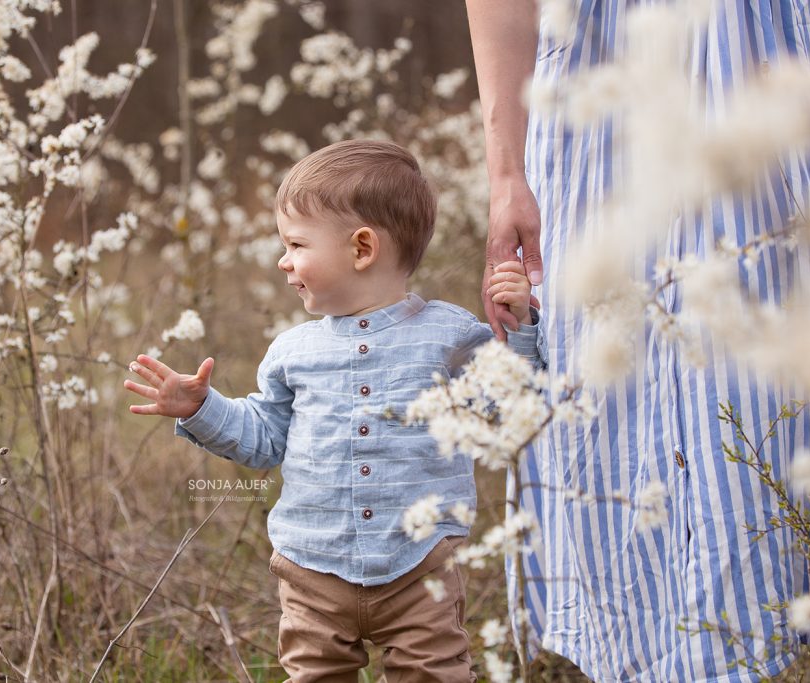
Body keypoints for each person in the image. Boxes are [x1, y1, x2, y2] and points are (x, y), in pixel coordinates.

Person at [466, 0, 810, 681]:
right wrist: (506, 177)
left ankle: (762, 650)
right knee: (613, 387)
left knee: (757, 371)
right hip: (599, 77)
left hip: (754, 61)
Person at [123, 140, 547, 682]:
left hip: (419, 567)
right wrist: (203, 407)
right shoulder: (293, 351)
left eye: (296, 243)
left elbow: (506, 410)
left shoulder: (450, 335)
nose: (283, 260)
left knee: (436, 674)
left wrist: (520, 332)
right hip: (312, 570)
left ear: (362, 248)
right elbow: (264, 440)